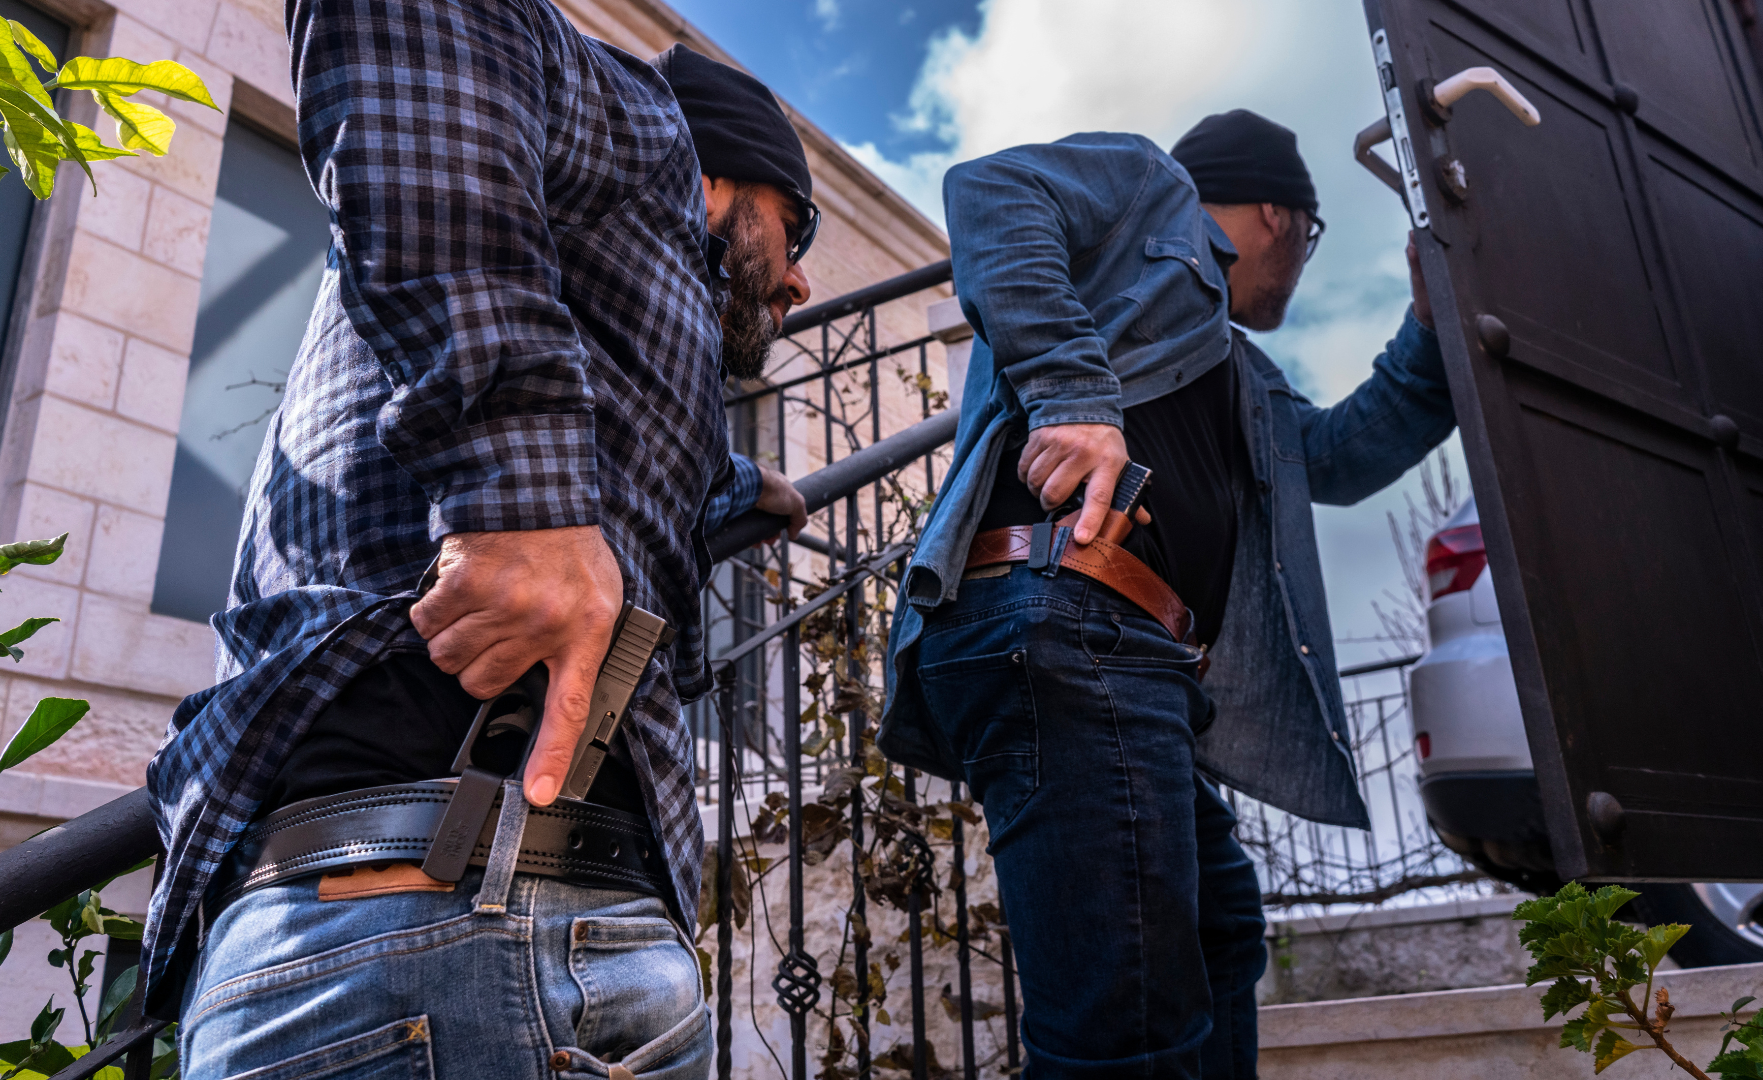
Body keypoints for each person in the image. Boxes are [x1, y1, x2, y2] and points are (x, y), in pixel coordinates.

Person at [144, 1, 818, 1073]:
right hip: (432, 921)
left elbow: (627, 449)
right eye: (797, 226)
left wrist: (743, 484)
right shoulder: (640, 125)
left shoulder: (615, 309)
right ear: (712, 182)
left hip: (535, 934)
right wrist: (520, 494)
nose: (800, 280)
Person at [878, 109, 1456, 1077]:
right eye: (1309, 238)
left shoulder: (1238, 372)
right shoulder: (1154, 187)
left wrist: (1431, 333)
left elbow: (1342, 456)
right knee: (1126, 1039)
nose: (1301, 262)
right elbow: (990, 192)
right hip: (1069, 618)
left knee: (1220, 927)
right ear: (1279, 215)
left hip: (1119, 650)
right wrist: (1072, 394)